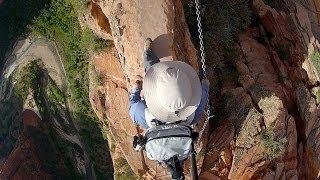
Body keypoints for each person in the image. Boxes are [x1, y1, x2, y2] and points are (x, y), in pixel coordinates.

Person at [129, 38, 210, 129]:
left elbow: (133, 107)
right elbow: (133, 110)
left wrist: (136, 90)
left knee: (152, 68)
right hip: (179, 121)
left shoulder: (141, 112)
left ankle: (149, 53)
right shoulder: (194, 114)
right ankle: (149, 53)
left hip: (154, 122)